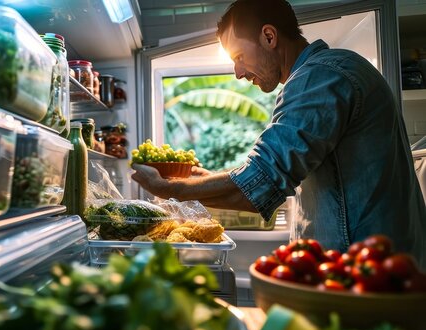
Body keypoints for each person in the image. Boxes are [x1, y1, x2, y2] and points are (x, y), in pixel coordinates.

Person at [131, 0, 426, 267]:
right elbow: (260, 179)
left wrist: (170, 189)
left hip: (367, 275)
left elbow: (260, 185)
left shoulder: (320, 77)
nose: (237, 72)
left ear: (269, 37)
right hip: (375, 269)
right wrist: (193, 178)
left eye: (239, 56)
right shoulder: (333, 69)